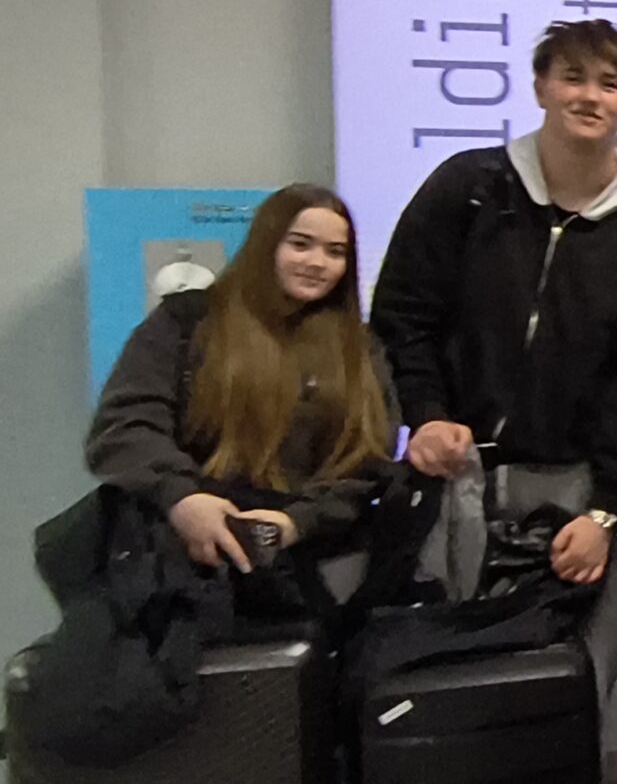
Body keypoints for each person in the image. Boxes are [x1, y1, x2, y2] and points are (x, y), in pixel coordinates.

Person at [370, 20, 617, 714]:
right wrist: (426, 414)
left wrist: (605, 507)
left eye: (610, 83)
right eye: (572, 77)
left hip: (578, 499)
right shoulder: (467, 187)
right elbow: (402, 315)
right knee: (440, 699)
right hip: (454, 481)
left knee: (566, 707)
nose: (589, 96)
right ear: (541, 86)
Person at [88, 183, 395, 572]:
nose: (317, 262)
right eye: (300, 244)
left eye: (335, 252)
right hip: (179, 552)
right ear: (266, 244)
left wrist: (296, 522)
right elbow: (126, 424)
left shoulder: (361, 348)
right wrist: (183, 498)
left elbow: (370, 460)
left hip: (311, 562)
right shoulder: (187, 321)